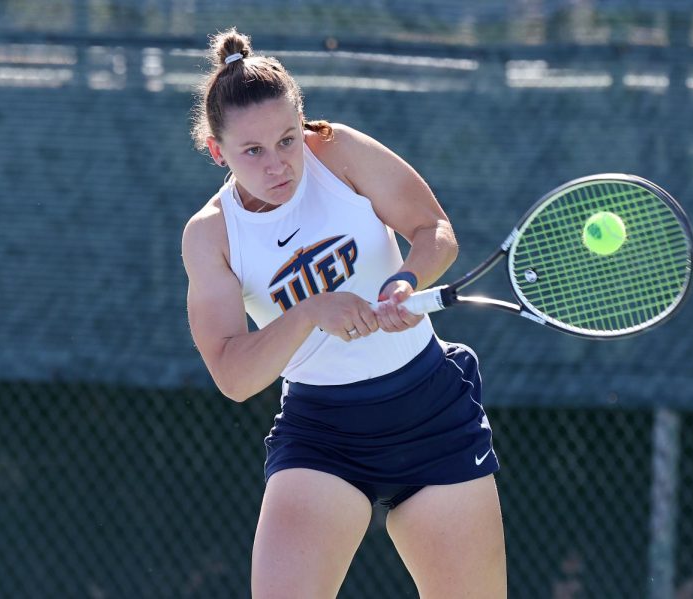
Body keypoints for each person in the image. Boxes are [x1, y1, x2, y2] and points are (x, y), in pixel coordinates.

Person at [182, 28, 507, 598]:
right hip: (322, 435)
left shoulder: (338, 152)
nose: (278, 164)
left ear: (303, 123)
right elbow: (233, 376)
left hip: (431, 411)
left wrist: (405, 280)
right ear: (217, 151)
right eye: (252, 151)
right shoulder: (211, 236)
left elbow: (434, 232)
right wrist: (311, 312)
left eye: (287, 140)